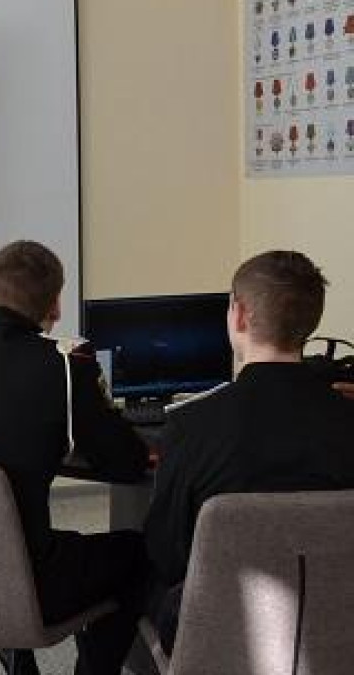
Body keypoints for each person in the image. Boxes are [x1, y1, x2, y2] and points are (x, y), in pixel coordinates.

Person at [0, 240, 149, 675]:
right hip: (23, 584)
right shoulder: (64, 367)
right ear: (54, 307)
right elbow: (127, 463)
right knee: (138, 554)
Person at [143, 250, 354, 654]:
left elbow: (167, 553)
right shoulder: (347, 419)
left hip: (221, 632)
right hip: (337, 627)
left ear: (239, 315)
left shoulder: (191, 425)